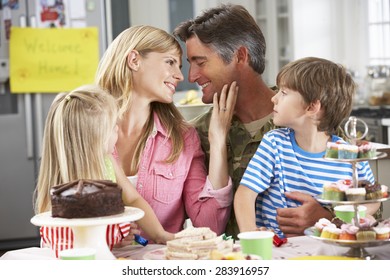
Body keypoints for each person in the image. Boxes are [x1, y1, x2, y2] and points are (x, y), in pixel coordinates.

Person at [173, 3, 382, 239]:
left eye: (201, 62)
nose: (191, 77)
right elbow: (203, 224)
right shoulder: (197, 134)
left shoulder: (313, 119)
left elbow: (369, 207)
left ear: (240, 56)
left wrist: (325, 217)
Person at [95, 25, 237, 237]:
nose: (180, 76)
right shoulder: (88, 130)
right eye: (170, 62)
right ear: (134, 60)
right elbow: (59, 215)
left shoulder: (182, 138)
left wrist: (217, 142)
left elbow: (210, 225)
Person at [234, 57, 380, 238]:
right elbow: (245, 196)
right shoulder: (274, 144)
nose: (274, 97)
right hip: (281, 253)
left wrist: (347, 221)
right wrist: (252, 236)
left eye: (284, 93)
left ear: (312, 107)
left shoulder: (351, 156)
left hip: (329, 250)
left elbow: (372, 202)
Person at [33, 85, 173, 257]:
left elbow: (133, 198)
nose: (117, 129)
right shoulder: (62, 191)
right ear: (94, 139)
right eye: (113, 125)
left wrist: (159, 234)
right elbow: (70, 246)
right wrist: (112, 238)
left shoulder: (108, 161)